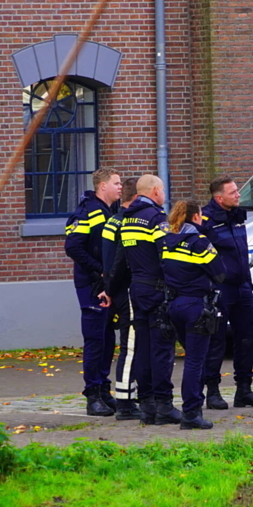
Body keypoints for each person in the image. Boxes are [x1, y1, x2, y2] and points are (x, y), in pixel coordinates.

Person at [200, 175, 253, 409]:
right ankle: (213, 391)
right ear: (219, 198)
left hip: (242, 285)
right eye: (233, 192)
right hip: (220, 289)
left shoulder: (237, 216)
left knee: (246, 339)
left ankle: (244, 390)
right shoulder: (207, 220)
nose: (238, 195)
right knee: (217, 340)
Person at [119, 174, 182, 425]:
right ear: (155, 191)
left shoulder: (127, 219)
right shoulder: (156, 219)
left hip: (137, 289)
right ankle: (164, 405)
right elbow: (167, 255)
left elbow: (123, 259)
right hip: (157, 291)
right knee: (162, 349)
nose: (164, 195)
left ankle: (146, 406)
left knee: (142, 350)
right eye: (163, 190)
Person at [159, 200, 227, 429]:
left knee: (191, 358)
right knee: (195, 362)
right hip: (196, 306)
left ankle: (188, 409)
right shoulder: (199, 242)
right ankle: (191, 413)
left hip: (174, 306)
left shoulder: (168, 242)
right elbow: (220, 274)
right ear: (196, 217)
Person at [64, 167, 121, 417]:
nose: (120, 187)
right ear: (102, 186)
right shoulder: (88, 211)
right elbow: (73, 247)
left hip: (107, 284)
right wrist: (99, 271)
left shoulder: (112, 211)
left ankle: (104, 389)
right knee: (95, 339)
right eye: (116, 183)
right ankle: (92, 395)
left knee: (108, 339)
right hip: (91, 285)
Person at [100, 175, 140, 420]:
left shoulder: (112, 222)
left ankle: (130, 398)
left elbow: (107, 260)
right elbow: (119, 262)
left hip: (119, 290)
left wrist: (109, 288)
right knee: (131, 347)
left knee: (130, 347)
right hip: (129, 291)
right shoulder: (126, 223)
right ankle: (125, 403)